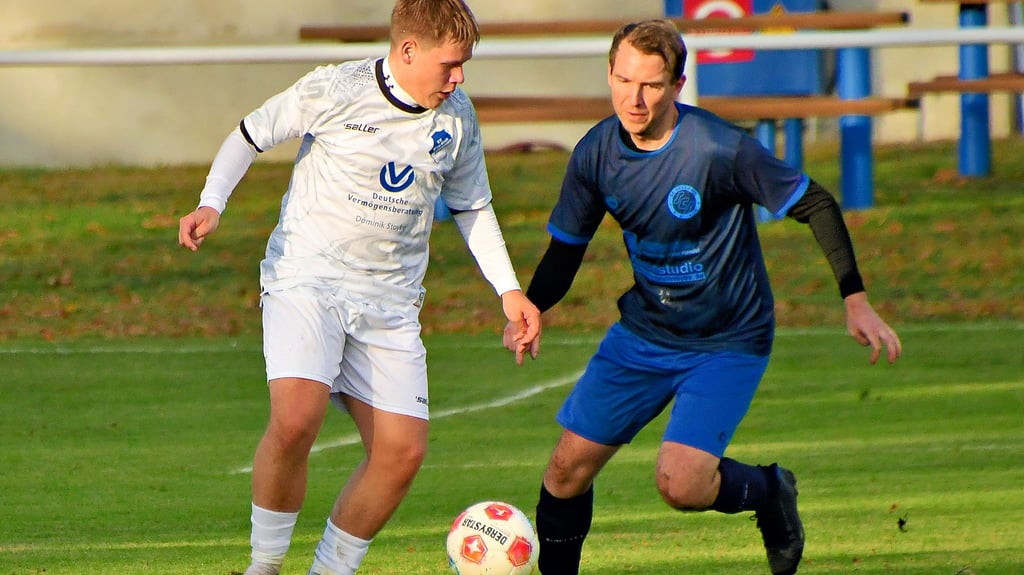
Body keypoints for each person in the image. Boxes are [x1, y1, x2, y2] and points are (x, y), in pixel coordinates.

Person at [505, 19, 902, 575]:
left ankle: (769, 490)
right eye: (622, 80)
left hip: (729, 340)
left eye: (650, 85)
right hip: (645, 333)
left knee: (682, 484)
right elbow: (567, 249)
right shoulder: (595, 153)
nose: (633, 98)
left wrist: (854, 297)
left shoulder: (718, 148)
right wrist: (533, 304)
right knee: (565, 471)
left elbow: (816, 203)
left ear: (677, 84)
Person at [177, 2, 541, 574]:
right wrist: (211, 203)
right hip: (308, 277)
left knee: (401, 453)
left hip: (392, 302)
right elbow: (250, 133)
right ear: (408, 50)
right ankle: (264, 566)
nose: (459, 78)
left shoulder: (457, 119)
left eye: (465, 65)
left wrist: (509, 291)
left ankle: (331, 570)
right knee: (296, 418)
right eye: (450, 65)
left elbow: (472, 205)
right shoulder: (337, 87)